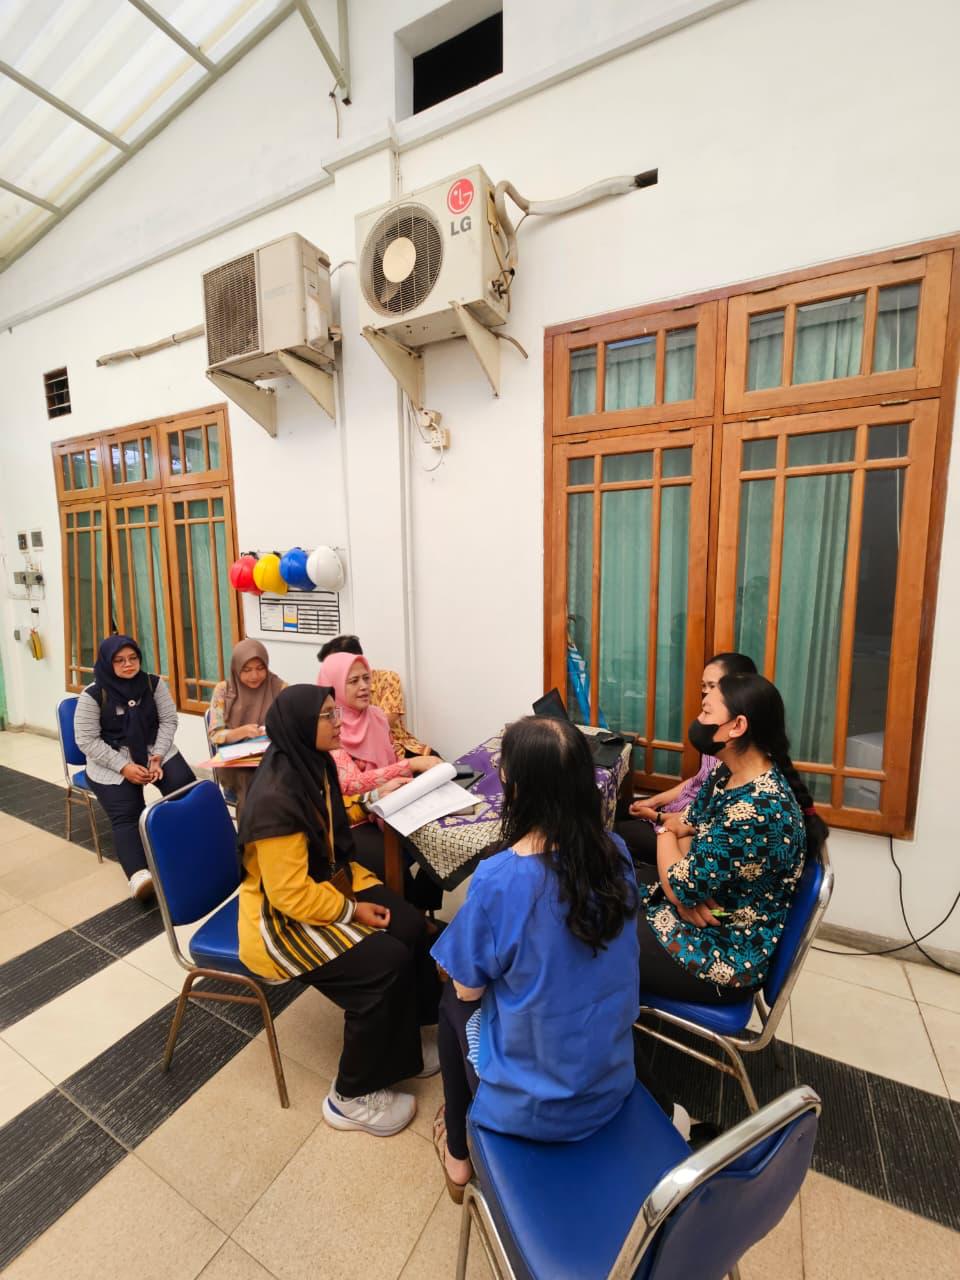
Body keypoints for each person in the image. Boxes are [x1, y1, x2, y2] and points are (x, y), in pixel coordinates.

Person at [430, 715, 640, 1202]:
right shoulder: (616, 852)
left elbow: (467, 989)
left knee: (449, 1002)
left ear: (516, 788)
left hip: (538, 1107)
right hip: (610, 1082)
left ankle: (458, 1153)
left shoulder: (500, 879)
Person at [237, 684, 441, 1137]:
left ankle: (408, 1037)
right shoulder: (274, 800)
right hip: (280, 921)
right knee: (384, 964)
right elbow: (289, 896)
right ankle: (350, 1095)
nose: (339, 722)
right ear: (300, 725)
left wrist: (375, 797)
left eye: (336, 713)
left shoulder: (314, 764)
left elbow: (331, 819)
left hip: (330, 884)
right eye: (328, 716)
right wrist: (352, 911)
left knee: (411, 925)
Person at [636, 672, 829, 1007]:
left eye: (707, 712)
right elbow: (687, 825)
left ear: (737, 726)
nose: (698, 720)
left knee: (593, 935)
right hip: (708, 914)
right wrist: (681, 879)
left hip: (723, 951)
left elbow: (679, 876)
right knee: (605, 891)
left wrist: (664, 832)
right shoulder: (728, 772)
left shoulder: (758, 809)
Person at [319, 650, 443, 908]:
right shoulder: (327, 727)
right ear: (334, 686)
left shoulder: (376, 716)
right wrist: (410, 764)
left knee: (439, 837)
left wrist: (413, 775)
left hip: (388, 800)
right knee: (391, 858)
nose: (364, 686)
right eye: (353, 681)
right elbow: (351, 783)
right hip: (352, 818)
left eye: (366, 678)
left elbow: (391, 758)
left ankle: (420, 908)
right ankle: (408, 913)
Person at [74, 635, 195, 901]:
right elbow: (87, 741)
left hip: (153, 749)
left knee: (185, 788)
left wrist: (158, 755)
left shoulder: (153, 684)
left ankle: (194, 845)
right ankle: (139, 875)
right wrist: (124, 767)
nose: (128, 664)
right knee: (128, 814)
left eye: (133, 658)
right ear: (107, 663)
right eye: (119, 660)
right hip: (111, 758)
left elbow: (168, 720)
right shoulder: (93, 695)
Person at [616, 652, 757, 865]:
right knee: (614, 810)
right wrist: (654, 802)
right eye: (704, 686)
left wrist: (659, 820)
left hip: (683, 832)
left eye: (713, 686)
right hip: (678, 819)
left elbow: (693, 840)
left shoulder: (736, 759)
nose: (706, 695)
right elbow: (698, 780)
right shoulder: (718, 742)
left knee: (610, 832)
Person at [318, 634, 435, 759]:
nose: (363, 686)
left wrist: (363, 725)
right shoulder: (327, 694)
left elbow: (390, 717)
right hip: (353, 752)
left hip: (398, 746)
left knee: (441, 766)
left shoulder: (387, 680)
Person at [207, 639, 286, 810]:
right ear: (236, 668)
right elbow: (215, 734)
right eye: (247, 670)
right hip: (235, 761)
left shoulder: (279, 687)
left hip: (271, 756)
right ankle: (255, 824)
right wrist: (241, 732)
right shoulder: (223, 690)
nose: (254, 676)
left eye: (260, 668)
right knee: (252, 784)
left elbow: (292, 722)